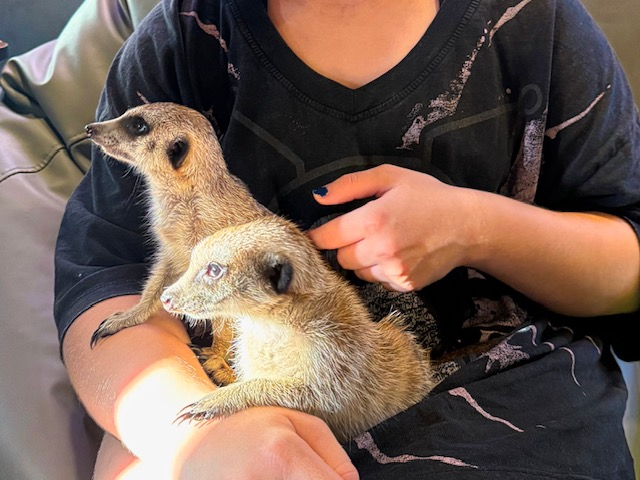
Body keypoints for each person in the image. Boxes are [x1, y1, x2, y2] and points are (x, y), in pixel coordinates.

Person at [53, 0, 640, 477]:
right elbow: (104, 285)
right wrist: (189, 437)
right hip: (225, 406)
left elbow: (628, 267)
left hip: (514, 413)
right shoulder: (181, 41)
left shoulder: (538, 22)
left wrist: (477, 228)